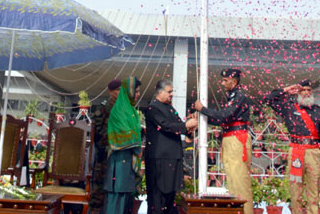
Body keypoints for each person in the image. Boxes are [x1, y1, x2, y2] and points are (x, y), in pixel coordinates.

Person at [264, 79, 320, 214]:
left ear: (312, 92)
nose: (306, 93)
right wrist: (286, 89)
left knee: (313, 188)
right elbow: (268, 99)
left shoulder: (318, 111)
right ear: (298, 92)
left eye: (308, 90)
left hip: (313, 152)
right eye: (302, 90)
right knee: (295, 188)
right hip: (296, 151)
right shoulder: (289, 107)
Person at [194, 68, 253, 214]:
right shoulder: (233, 96)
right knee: (233, 180)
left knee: (239, 181)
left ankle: (245, 211)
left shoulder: (240, 96)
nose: (222, 83)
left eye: (225, 80)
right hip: (230, 138)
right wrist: (203, 118)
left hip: (236, 139)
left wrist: (203, 109)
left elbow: (225, 115)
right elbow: (223, 120)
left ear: (234, 81)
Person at [144, 79, 198, 214]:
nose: (171, 94)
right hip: (160, 159)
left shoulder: (170, 108)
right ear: (160, 92)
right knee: (159, 196)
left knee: (170, 195)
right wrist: (186, 125)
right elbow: (166, 126)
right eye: (169, 92)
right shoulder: (153, 108)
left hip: (173, 157)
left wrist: (189, 128)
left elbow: (179, 125)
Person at [104, 77, 143, 214]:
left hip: (127, 161)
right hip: (119, 161)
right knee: (117, 199)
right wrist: (138, 147)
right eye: (136, 91)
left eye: (139, 92)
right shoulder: (118, 110)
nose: (138, 94)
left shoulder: (130, 110)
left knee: (126, 199)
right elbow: (123, 136)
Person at [90, 79, 122, 214]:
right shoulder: (104, 107)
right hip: (104, 154)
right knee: (99, 188)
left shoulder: (122, 107)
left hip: (118, 153)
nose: (120, 93)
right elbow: (95, 129)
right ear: (110, 91)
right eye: (117, 90)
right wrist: (102, 145)